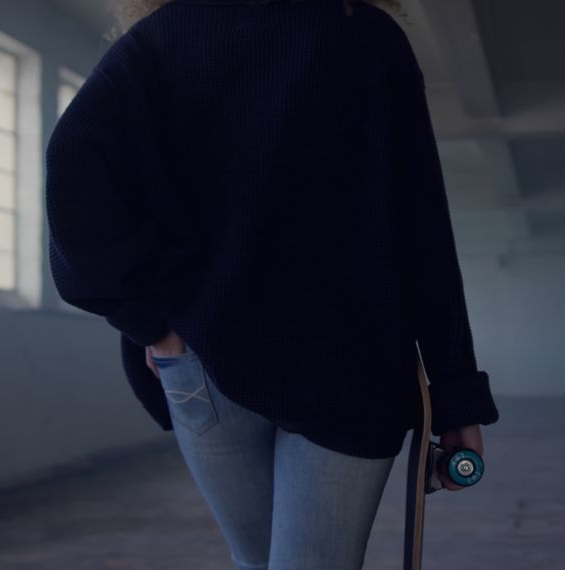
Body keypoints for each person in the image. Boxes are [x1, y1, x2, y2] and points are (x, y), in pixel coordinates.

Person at [44, 0, 500, 567]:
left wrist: (149, 323)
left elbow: (71, 168)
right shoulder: (368, 39)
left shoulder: (157, 43)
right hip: (351, 366)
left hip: (200, 360)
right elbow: (422, 231)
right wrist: (455, 394)